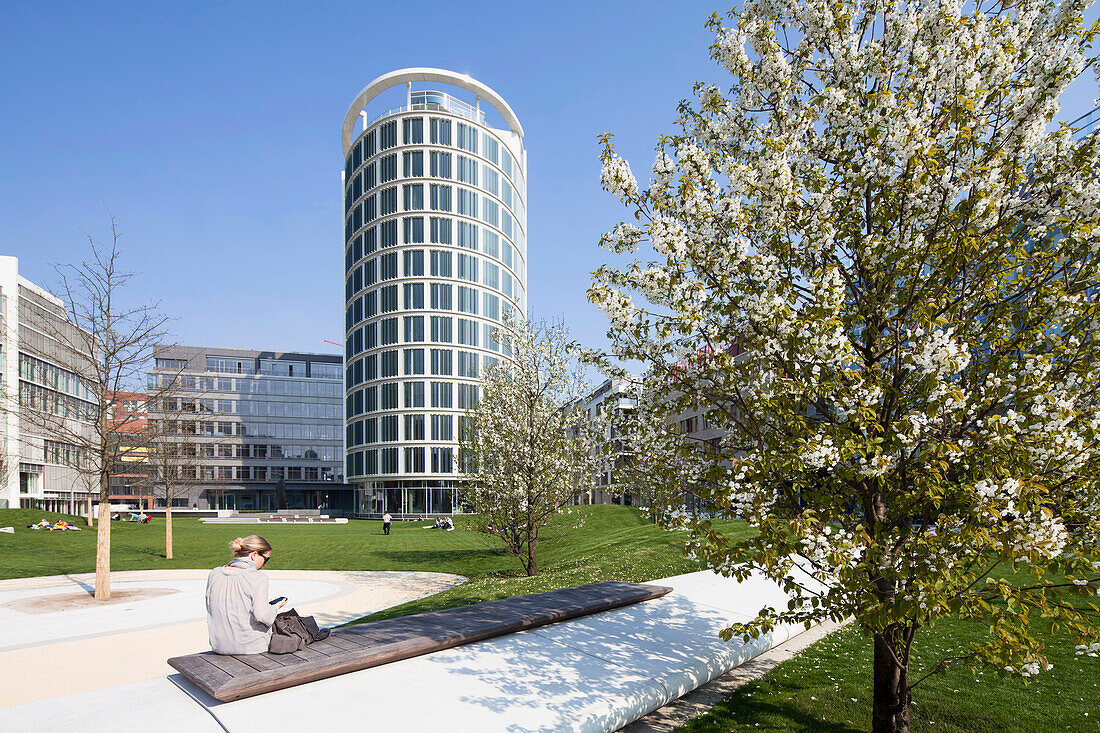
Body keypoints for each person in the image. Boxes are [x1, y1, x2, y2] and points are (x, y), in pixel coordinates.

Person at [205, 535, 286, 654]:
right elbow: (263, 616)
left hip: (219, 646)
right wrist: (275, 607)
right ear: (254, 555)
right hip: (251, 646)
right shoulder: (258, 578)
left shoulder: (215, 574)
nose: (265, 565)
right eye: (266, 559)